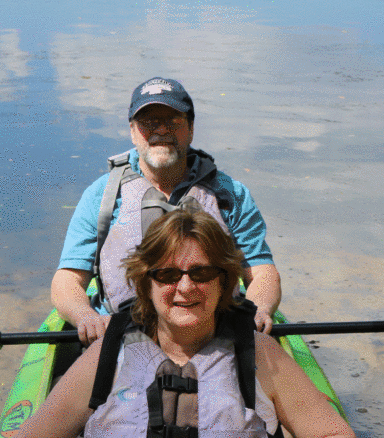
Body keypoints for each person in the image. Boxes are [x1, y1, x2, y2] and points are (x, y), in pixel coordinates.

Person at [6, 208, 358, 438]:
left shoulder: (258, 354)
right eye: (168, 275)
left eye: (201, 273)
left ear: (224, 282)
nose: (185, 288)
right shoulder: (109, 354)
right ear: (146, 283)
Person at [51, 76, 282, 344]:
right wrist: (84, 316)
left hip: (215, 335)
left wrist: (259, 310)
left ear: (191, 129)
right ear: (133, 131)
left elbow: (262, 271)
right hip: (122, 335)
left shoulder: (231, 194)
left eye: (173, 121)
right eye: (149, 122)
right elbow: (68, 279)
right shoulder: (100, 195)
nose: (161, 130)